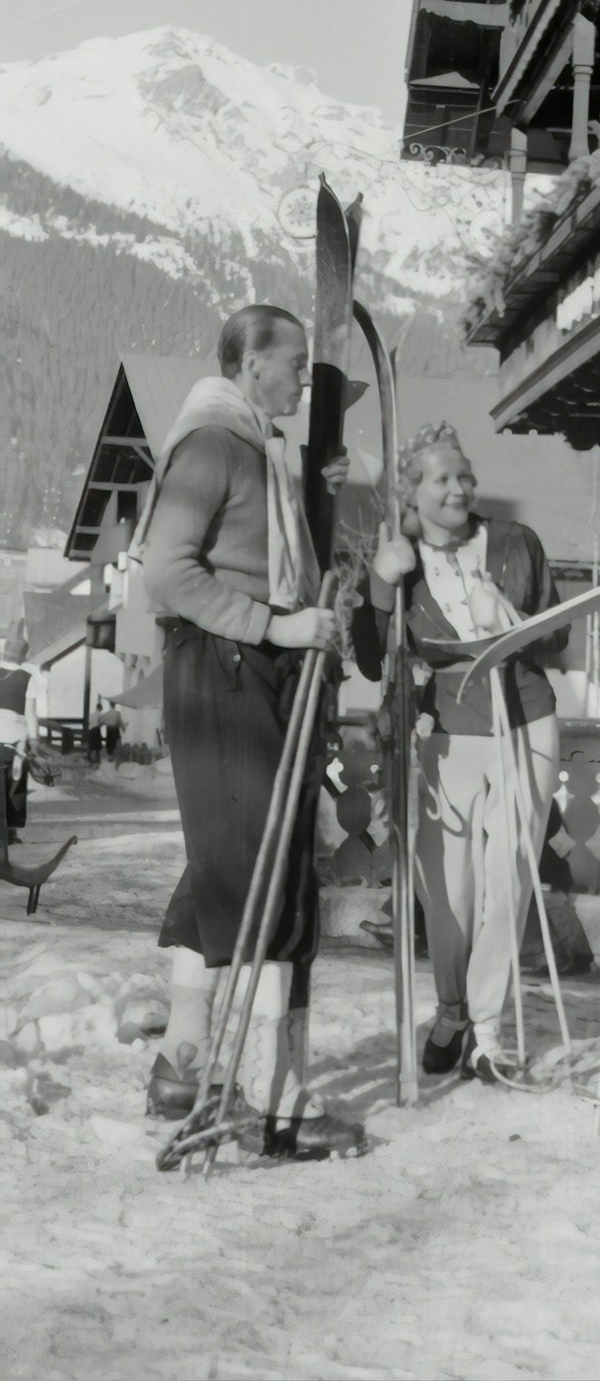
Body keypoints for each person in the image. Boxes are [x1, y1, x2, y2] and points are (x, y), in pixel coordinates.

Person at [132, 303, 351, 1157]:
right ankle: (270, 1097)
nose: (303, 376)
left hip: (247, 673)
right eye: (293, 362)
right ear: (249, 363)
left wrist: (318, 497)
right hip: (222, 672)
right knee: (266, 876)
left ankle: (184, 1067)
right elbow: (164, 572)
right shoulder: (214, 444)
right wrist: (274, 625)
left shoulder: (260, 449)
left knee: (221, 868)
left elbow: (268, 558)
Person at [352, 421, 569, 1084]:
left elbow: (556, 640)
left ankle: (488, 1030)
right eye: (443, 478)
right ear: (412, 493)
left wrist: (509, 618)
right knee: (451, 893)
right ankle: (451, 1008)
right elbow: (369, 658)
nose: (460, 487)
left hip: (525, 724)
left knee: (505, 885)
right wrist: (381, 588)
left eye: (465, 473)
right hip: (441, 734)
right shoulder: (399, 560)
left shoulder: (516, 543)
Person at [0, 634, 40, 849]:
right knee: (15, 785)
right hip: (13, 742)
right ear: (23, 656)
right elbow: (31, 714)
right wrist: (34, 743)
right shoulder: (27, 677)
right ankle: (11, 832)